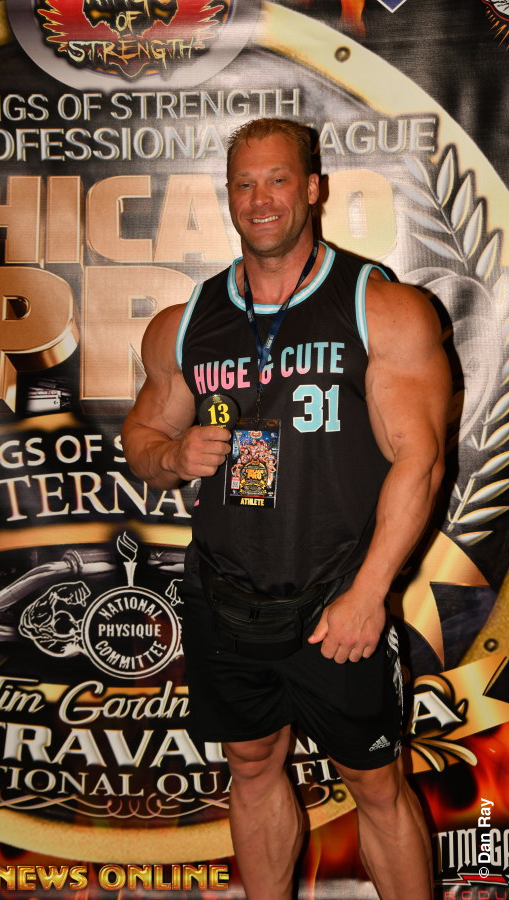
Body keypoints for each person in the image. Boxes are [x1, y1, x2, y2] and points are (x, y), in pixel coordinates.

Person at [122, 118, 450, 900]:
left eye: (277, 180)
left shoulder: (382, 308)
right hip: (224, 593)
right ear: (227, 195)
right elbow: (143, 436)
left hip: (337, 597)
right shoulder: (187, 322)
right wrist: (173, 456)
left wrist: (369, 593)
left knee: (374, 782)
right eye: (244, 183)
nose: (260, 199)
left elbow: (422, 459)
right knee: (251, 763)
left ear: (313, 188)